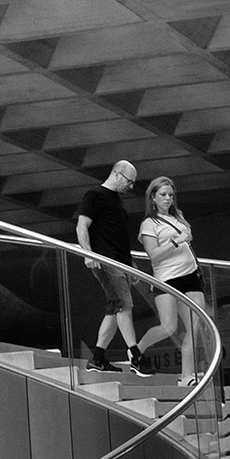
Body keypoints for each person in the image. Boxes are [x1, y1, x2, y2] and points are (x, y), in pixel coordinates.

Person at [128, 176, 208, 386]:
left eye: (171, 195)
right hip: (167, 279)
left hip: (190, 274)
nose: (167, 199)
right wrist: (176, 240)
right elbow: (153, 255)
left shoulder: (178, 217)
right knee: (169, 326)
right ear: (153, 197)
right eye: (163, 195)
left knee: (194, 325)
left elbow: (186, 240)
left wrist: (184, 237)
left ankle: (187, 375)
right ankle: (137, 350)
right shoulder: (149, 223)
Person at [74, 160, 152, 375]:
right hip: (105, 261)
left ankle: (97, 358)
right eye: (129, 181)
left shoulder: (116, 201)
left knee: (114, 308)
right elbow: (82, 226)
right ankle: (136, 356)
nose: (131, 186)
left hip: (120, 261)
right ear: (117, 174)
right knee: (124, 304)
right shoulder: (95, 195)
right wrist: (88, 254)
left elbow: (117, 237)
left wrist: (131, 265)